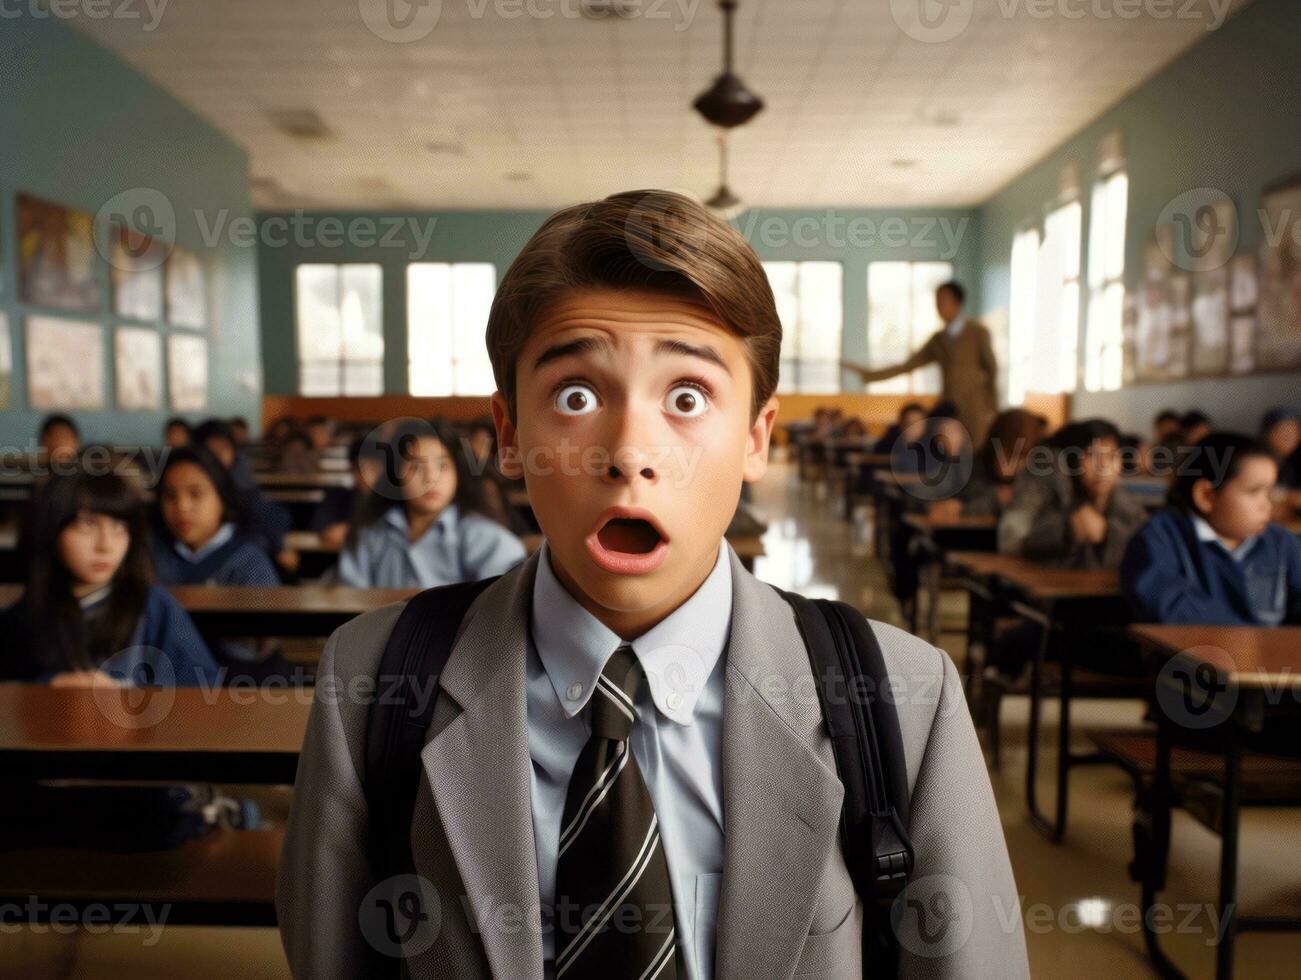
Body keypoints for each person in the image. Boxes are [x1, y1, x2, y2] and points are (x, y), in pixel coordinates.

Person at [277, 190, 1027, 979]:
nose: (630, 451)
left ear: (754, 436)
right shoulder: (371, 681)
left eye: (687, 397)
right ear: (508, 434)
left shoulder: (904, 697)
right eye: (575, 396)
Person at [0, 470, 216, 685]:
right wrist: (50, 685)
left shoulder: (154, 606)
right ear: (53, 530)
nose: (106, 545)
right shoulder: (27, 614)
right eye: (88, 524)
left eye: (119, 527)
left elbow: (204, 686)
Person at [1122, 433, 1301, 625]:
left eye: (1269, 492)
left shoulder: (1281, 542)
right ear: (1206, 496)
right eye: (1254, 492)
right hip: (1190, 654)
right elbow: (1171, 607)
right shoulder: (1159, 539)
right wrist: (1257, 643)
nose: (1267, 505)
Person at [335, 419, 527, 589]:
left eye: (442, 466)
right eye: (416, 467)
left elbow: (504, 607)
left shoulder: (483, 536)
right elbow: (350, 600)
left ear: (458, 474)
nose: (431, 479)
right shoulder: (369, 534)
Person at [842, 280, 999, 447]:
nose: (938, 305)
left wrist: (992, 407)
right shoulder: (938, 339)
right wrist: (868, 375)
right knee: (943, 452)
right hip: (949, 406)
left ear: (956, 302)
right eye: (937, 301)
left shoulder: (977, 333)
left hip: (976, 408)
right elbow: (907, 366)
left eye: (943, 300)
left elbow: (992, 369)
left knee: (976, 450)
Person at [998, 418, 1148, 570]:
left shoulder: (1129, 508)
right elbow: (1016, 541)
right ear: (1073, 461)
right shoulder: (1055, 496)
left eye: (1111, 456)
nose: (1102, 466)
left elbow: (1147, 550)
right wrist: (1068, 530)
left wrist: (1106, 535)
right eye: (1091, 455)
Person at [192, 418, 295, 571]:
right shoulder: (190, 476)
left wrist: (278, 546)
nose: (218, 457)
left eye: (224, 449)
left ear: (233, 450)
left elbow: (265, 512)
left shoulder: (241, 475)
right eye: (211, 451)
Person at [1261, 407, 1301, 490]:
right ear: (1268, 432)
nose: (1291, 437)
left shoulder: (1293, 462)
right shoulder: (1255, 460)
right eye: (1285, 431)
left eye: (1296, 432)